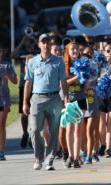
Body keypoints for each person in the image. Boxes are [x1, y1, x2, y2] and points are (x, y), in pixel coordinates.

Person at [23, 33, 68, 171]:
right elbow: (28, 83)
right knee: (35, 130)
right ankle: (38, 158)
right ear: (39, 45)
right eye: (43, 42)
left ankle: (50, 160)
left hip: (54, 98)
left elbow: (63, 82)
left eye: (48, 42)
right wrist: (25, 102)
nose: (46, 44)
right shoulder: (32, 62)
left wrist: (65, 99)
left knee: (54, 131)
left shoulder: (58, 61)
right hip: (37, 99)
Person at [10, 35, 38, 149]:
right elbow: (12, 55)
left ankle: (33, 135)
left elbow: (46, 50)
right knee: (24, 112)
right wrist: (22, 42)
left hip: (37, 85)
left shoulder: (37, 51)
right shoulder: (22, 51)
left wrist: (35, 41)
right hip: (24, 84)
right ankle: (25, 133)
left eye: (30, 41)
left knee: (35, 112)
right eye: (28, 41)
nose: (29, 43)